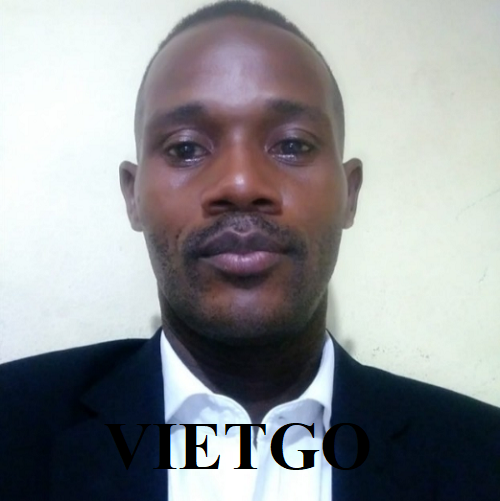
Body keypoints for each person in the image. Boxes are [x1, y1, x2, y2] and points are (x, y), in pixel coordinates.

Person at [1, 1, 498, 500]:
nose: (240, 184)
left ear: (350, 194)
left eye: (293, 145)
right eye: (185, 148)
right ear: (133, 197)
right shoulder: (13, 429)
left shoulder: (482, 457)